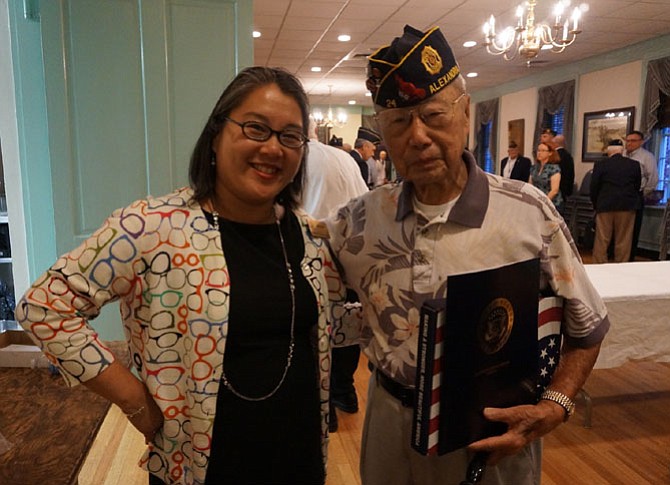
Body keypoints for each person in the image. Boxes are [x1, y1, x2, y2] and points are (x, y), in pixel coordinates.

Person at [15, 66, 352, 485]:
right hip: (201, 464)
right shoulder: (152, 227)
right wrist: (135, 401)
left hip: (299, 455)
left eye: (290, 137)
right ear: (215, 135)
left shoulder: (306, 235)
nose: (273, 149)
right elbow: (43, 306)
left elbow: (329, 327)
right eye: (255, 128)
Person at [326, 25, 609, 485]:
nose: (417, 136)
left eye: (434, 115)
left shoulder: (526, 212)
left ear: (464, 113)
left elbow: (588, 324)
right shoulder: (356, 223)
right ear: (383, 134)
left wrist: (554, 406)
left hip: (490, 431)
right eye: (399, 123)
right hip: (389, 419)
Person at [303, 120, 369, 432]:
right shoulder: (344, 157)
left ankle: (325, 406)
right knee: (349, 323)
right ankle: (346, 392)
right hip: (353, 249)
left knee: (318, 331)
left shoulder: (298, 158)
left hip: (315, 250)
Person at [589, 139, 641, 263]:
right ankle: (621, 265)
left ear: (608, 151)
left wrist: (596, 203)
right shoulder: (634, 164)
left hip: (605, 204)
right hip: (627, 205)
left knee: (602, 239)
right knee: (624, 239)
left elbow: (594, 186)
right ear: (622, 150)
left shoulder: (601, 165)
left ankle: (599, 265)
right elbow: (637, 185)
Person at [624, 130, 659, 260]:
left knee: (633, 230)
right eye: (627, 141)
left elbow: (653, 178)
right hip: (621, 196)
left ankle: (629, 257)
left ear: (641, 142)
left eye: (633, 141)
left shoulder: (646, 157)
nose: (629, 144)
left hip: (635, 196)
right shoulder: (623, 155)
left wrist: (642, 193)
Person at [529, 141, 563, 213]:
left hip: (551, 202)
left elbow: (554, 190)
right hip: (536, 201)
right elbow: (530, 185)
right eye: (538, 150)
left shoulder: (554, 168)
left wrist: (543, 202)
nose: (539, 153)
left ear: (550, 153)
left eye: (543, 151)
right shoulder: (534, 167)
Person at [553, 134, 575, 201]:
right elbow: (571, 174)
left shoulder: (554, 156)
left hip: (555, 188)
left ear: (555, 143)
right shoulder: (568, 156)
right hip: (565, 188)